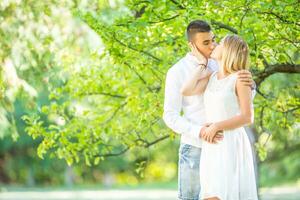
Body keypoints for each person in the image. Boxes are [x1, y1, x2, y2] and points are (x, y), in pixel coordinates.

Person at [163, 20, 254, 200]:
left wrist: (251, 84)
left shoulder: (218, 63)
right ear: (192, 45)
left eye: (214, 40)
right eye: (206, 43)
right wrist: (201, 131)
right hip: (196, 145)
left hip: (226, 142)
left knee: (227, 194)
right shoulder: (177, 71)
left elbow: (240, 96)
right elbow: (170, 114)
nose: (212, 46)